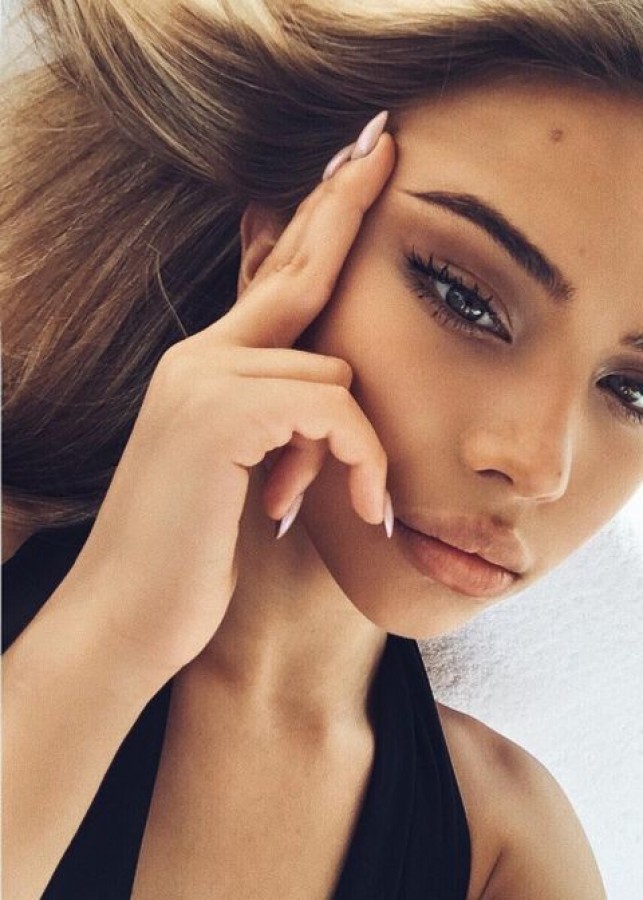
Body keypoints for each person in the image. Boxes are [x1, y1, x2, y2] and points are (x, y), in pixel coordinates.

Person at [2, 0, 642, 897]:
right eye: (462, 297)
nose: (538, 466)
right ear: (279, 239)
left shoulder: (505, 849)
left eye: (632, 391)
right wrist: (113, 632)